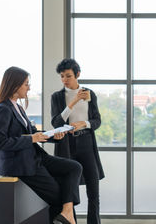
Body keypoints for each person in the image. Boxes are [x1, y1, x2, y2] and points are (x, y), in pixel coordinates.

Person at [0, 66, 82, 224]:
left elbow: (33, 132)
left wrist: (55, 135)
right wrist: (31, 139)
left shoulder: (18, 107)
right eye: (26, 84)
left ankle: (67, 213)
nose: (29, 87)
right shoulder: (3, 109)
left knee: (74, 167)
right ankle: (67, 214)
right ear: (15, 85)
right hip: (20, 164)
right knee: (61, 197)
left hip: (35, 157)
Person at [51, 59, 104, 224]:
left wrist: (84, 123)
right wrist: (73, 102)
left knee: (93, 189)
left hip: (87, 142)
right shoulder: (57, 97)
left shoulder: (90, 94)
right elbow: (56, 123)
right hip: (66, 144)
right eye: (62, 76)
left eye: (68, 76)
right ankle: (70, 220)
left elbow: (97, 120)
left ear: (77, 75)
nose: (65, 80)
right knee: (68, 187)